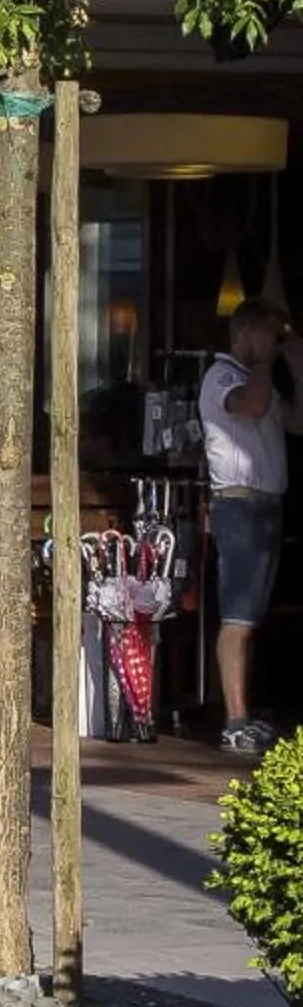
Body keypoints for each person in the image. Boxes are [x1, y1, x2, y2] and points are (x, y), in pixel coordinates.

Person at [205, 299, 295, 753]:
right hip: (238, 506)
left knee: (251, 617)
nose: (272, 344)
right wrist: (263, 363)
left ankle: (246, 710)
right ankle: (234, 721)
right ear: (244, 334)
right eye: (267, 334)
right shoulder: (222, 376)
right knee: (237, 617)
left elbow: (295, 421)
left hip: (266, 506)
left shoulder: (261, 379)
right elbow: (253, 407)